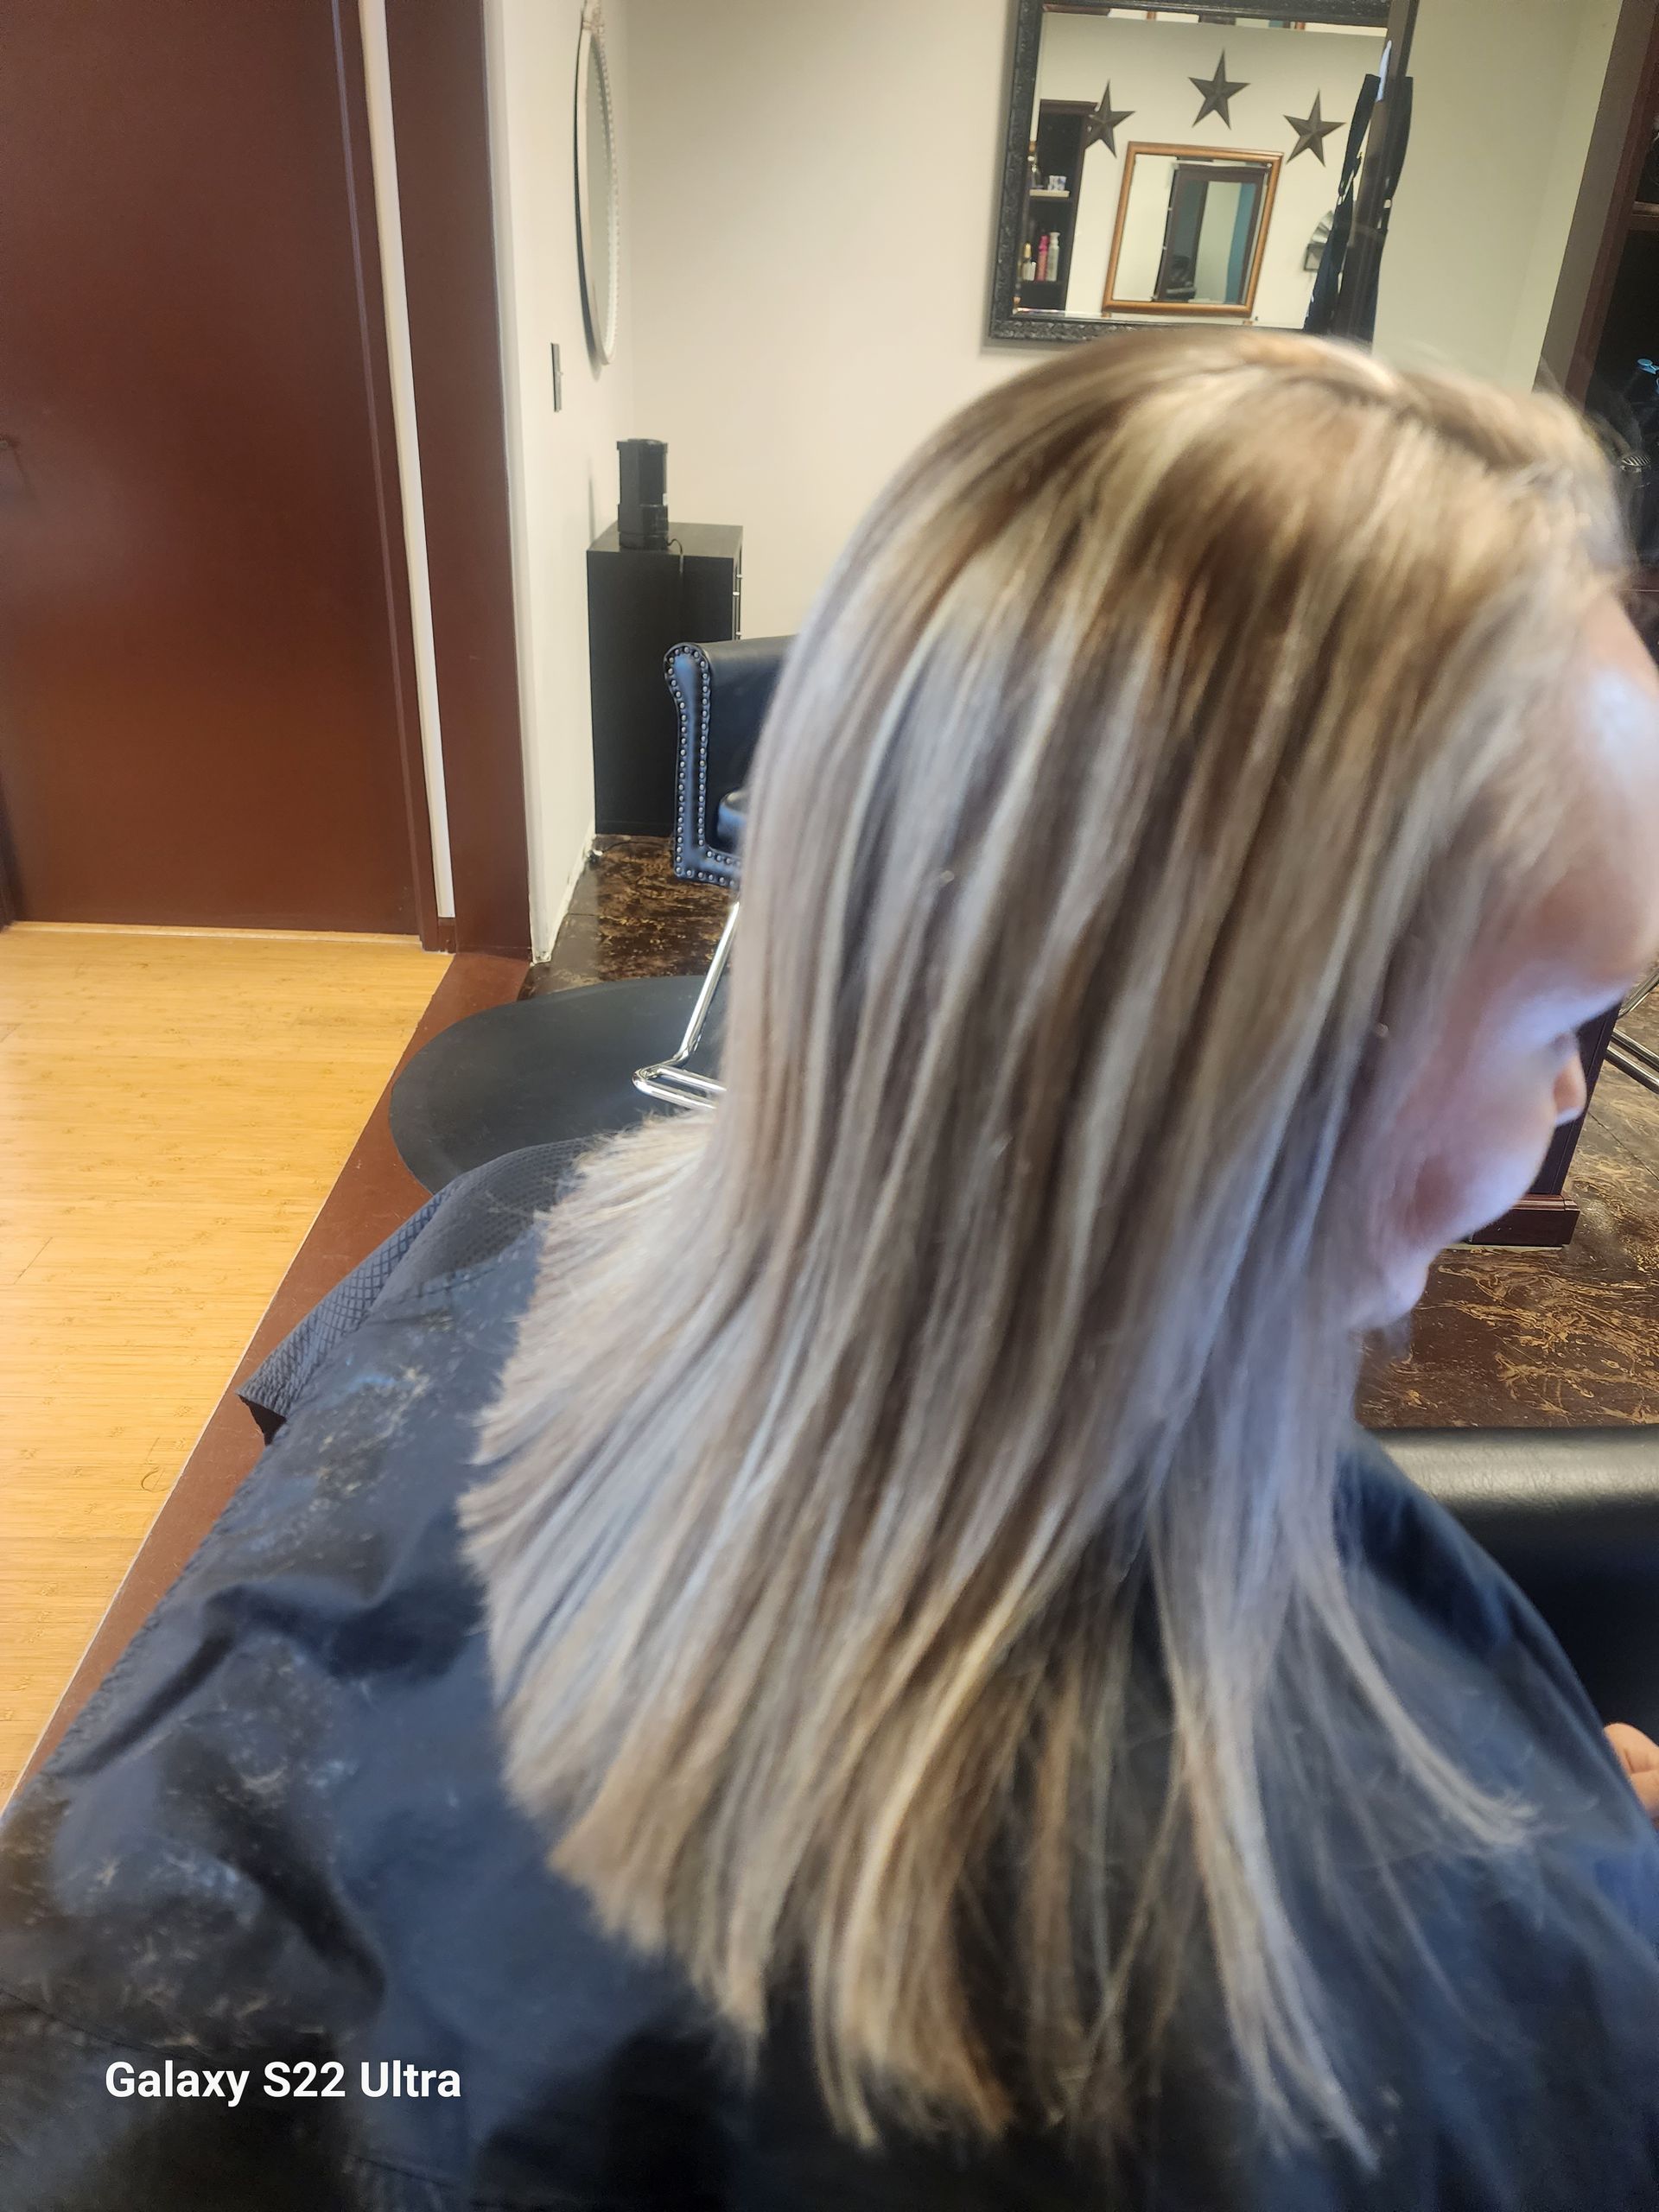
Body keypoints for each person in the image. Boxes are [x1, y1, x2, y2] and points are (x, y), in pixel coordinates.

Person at [2, 327, 1658, 2209]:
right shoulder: (1428, 1960)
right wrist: (1563, 1896)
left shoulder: (507, 1223)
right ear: (1265, 1070)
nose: (1563, 1096)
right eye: (1577, 1018)